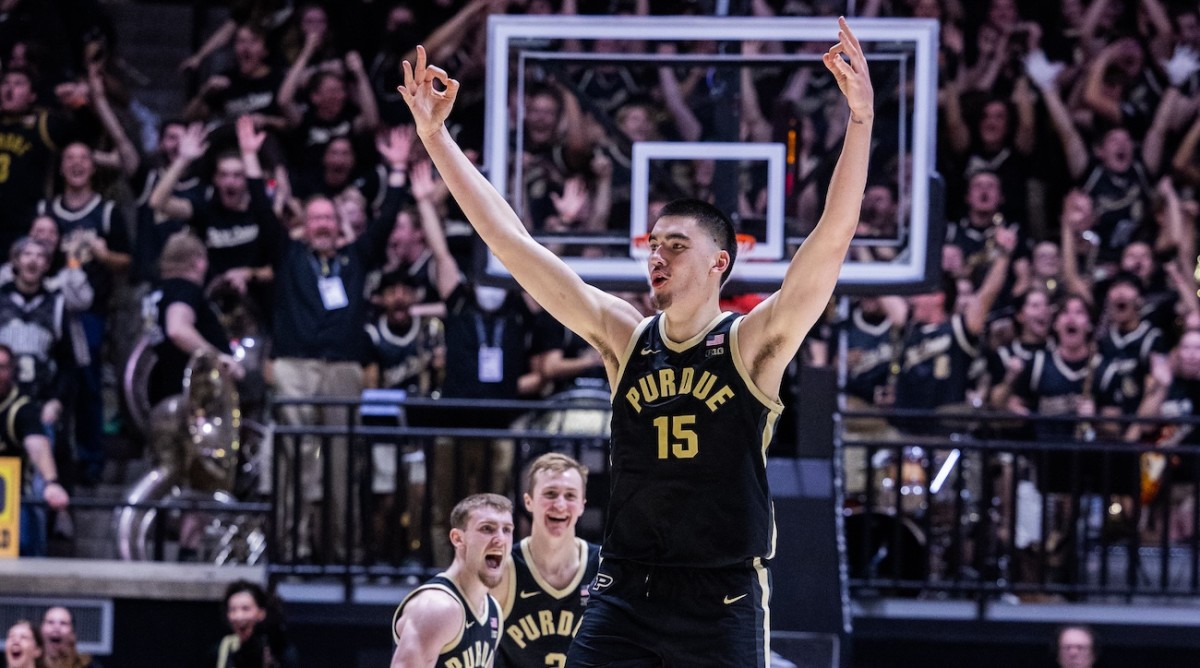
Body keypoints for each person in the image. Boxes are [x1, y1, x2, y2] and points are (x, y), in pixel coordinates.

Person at [397, 15, 872, 666]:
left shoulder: (753, 343)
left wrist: (861, 121)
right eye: (654, 245)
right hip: (627, 589)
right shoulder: (625, 337)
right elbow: (514, 244)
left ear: (719, 264)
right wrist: (435, 136)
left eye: (678, 246)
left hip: (722, 595)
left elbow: (832, 241)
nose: (658, 257)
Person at [490, 453, 599, 668]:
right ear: (528, 501)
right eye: (550, 493)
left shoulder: (602, 567)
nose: (560, 504)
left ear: (582, 505)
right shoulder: (504, 569)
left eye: (570, 495)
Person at [391, 493, 512, 668]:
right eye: (487, 528)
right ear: (457, 538)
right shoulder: (437, 608)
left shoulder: (492, 610)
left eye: (507, 530)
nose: (500, 539)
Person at [0, 342, 70, 555]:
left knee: (27, 526)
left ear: (12, 371)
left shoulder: (22, 409)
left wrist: (51, 482)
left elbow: (38, 445)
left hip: (12, 503)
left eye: (2, 367)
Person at [211, 580, 298, 668]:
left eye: (245, 609)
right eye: (232, 610)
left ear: (261, 612)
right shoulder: (223, 649)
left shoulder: (280, 651)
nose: (238, 616)